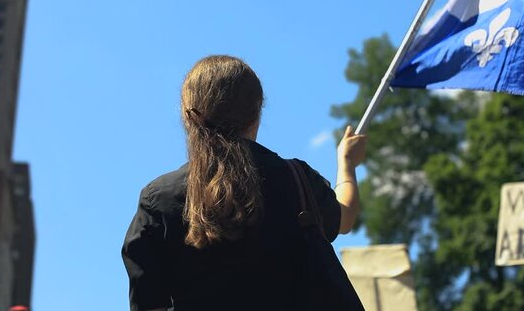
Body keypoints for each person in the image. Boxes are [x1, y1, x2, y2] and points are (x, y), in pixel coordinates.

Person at [122, 55, 367, 311]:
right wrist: (347, 163)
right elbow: (345, 217)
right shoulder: (296, 179)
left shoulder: (158, 200)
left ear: (188, 117)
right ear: (257, 110)